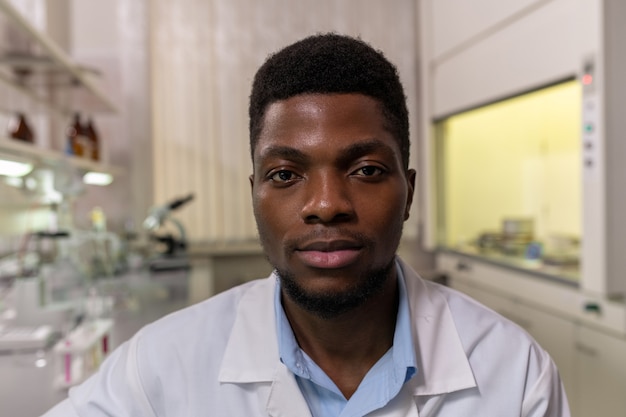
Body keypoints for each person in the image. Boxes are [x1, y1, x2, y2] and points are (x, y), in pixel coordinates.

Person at [42, 33, 570, 417]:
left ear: (408, 191)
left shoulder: (516, 374)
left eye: (366, 170)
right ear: (254, 194)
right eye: (286, 173)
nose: (325, 204)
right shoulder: (158, 367)